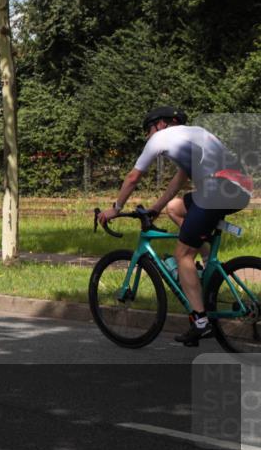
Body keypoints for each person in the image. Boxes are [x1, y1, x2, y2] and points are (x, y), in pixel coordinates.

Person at [99, 107, 253, 346]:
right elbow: (180, 179)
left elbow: (133, 177)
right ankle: (206, 266)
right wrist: (157, 208)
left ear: (160, 125)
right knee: (175, 208)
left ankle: (201, 321)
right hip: (239, 189)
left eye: (148, 130)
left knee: (182, 254)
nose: (148, 136)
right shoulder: (195, 133)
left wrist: (116, 208)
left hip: (215, 192)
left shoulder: (160, 138)